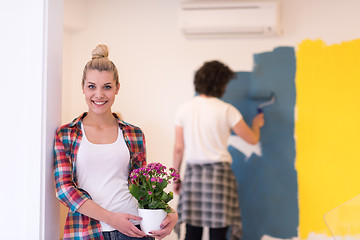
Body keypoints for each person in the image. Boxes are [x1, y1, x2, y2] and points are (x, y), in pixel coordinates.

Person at [54, 44, 178, 240]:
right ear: (83, 88)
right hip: (87, 232)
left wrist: (169, 211)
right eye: (92, 87)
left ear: (117, 88)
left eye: (107, 87)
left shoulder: (134, 134)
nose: (99, 94)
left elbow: (142, 187)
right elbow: (64, 190)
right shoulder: (66, 134)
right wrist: (111, 219)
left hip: (134, 229)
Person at [173, 60, 265, 240]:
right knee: (218, 232)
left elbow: (178, 148)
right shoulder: (227, 110)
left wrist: (176, 177)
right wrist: (256, 125)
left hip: (194, 174)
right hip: (219, 175)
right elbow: (252, 139)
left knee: (193, 231)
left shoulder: (184, 109)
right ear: (221, 84)